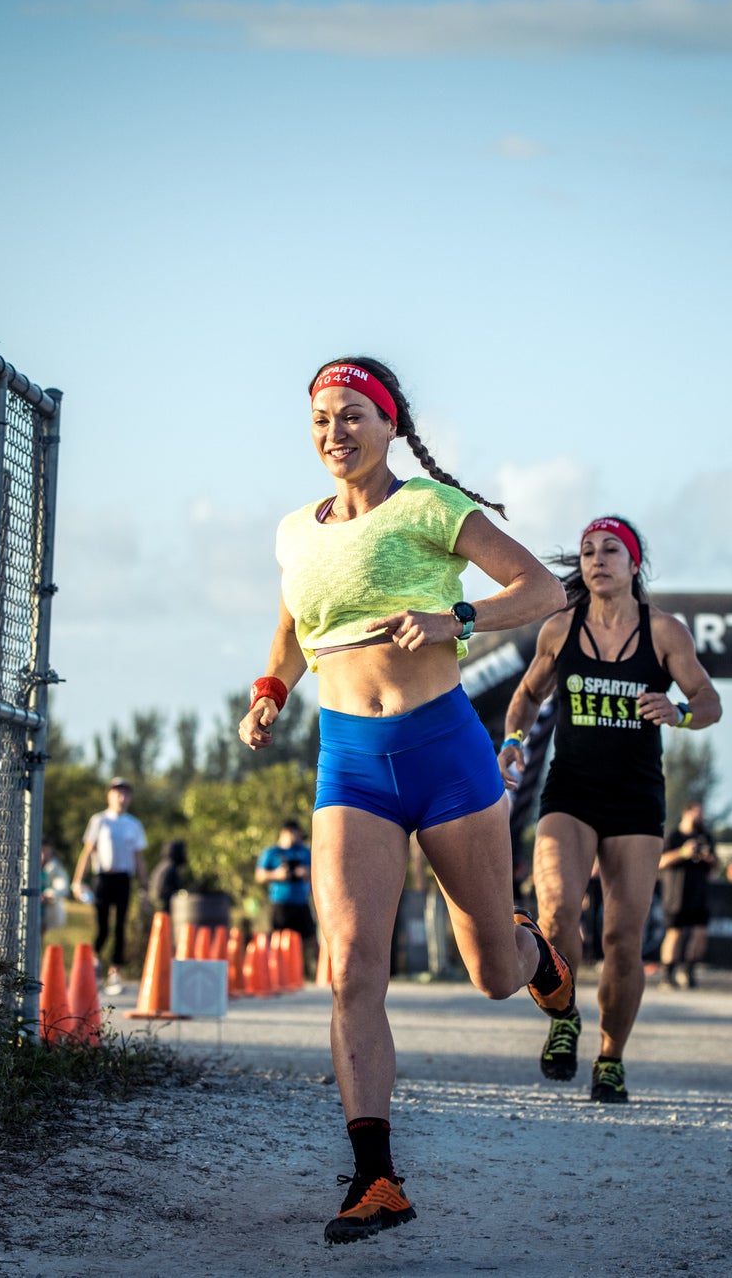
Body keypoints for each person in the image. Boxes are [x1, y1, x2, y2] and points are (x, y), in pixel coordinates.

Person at [237, 356, 570, 1245]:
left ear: (389, 425)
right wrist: (271, 688)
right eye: (320, 421)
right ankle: (376, 1178)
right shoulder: (294, 532)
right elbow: (293, 626)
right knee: (350, 969)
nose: (334, 434)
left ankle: (532, 951)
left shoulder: (428, 508)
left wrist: (455, 621)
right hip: (349, 764)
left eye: (352, 417)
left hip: (445, 751)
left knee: (492, 974)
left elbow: (543, 590)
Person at [498, 515, 723, 1104]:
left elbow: (709, 700)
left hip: (635, 801)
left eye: (611, 550)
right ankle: (565, 1018)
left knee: (623, 937)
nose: (597, 559)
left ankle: (611, 1058)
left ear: (634, 564)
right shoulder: (559, 630)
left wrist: (681, 713)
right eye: (588, 550)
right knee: (556, 914)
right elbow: (525, 697)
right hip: (569, 794)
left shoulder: (665, 632)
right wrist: (514, 744)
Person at [73, 778, 147, 994]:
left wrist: (144, 886)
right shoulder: (100, 821)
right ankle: (96, 962)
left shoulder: (134, 824)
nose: (121, 798)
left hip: (123, 879)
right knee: (103, 925)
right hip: (103, 878)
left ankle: (115, 971)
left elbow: (138, 858)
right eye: (117, 793)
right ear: (109, 795)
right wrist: (78, 881)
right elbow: (87, 852)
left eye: (125, 794)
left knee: (120, 926)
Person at [657, 801, 717, 991]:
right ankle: (668, 974)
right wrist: (683, 852)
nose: (700, 817)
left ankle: (689, 971)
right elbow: (660, 861)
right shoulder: (674, 836)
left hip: (699, 894)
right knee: (675, 933)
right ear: (687, 813)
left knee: (700, 934)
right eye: (697, 813)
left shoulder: (706, 837)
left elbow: (716, 865)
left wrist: (708, 858)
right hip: (676, 894)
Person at [257, 821, 316, 956]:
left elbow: (316, 871)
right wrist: (276, 874)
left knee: (311, 939)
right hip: (280, 903)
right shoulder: (272, 852)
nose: (298, 838)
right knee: (277, 939)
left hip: (301, 902)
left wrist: (306, 872)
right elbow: (259, 875)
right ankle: (275, 971)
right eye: (296, 834)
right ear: (286, 832)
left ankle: (317, 971)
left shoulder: (304, 851)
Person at [40, 840, 71, 934]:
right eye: (43, 851)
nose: (45, 855)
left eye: (48, 852)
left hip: (45, 908)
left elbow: (62, 885)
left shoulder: (55, 867)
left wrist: (49, 894)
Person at [151, 838, 190, 911]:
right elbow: (166, 892)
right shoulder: (171, 868)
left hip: (159, 905)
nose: (185, 854)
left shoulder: (164, 865)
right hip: (165, 908)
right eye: (183, 851)